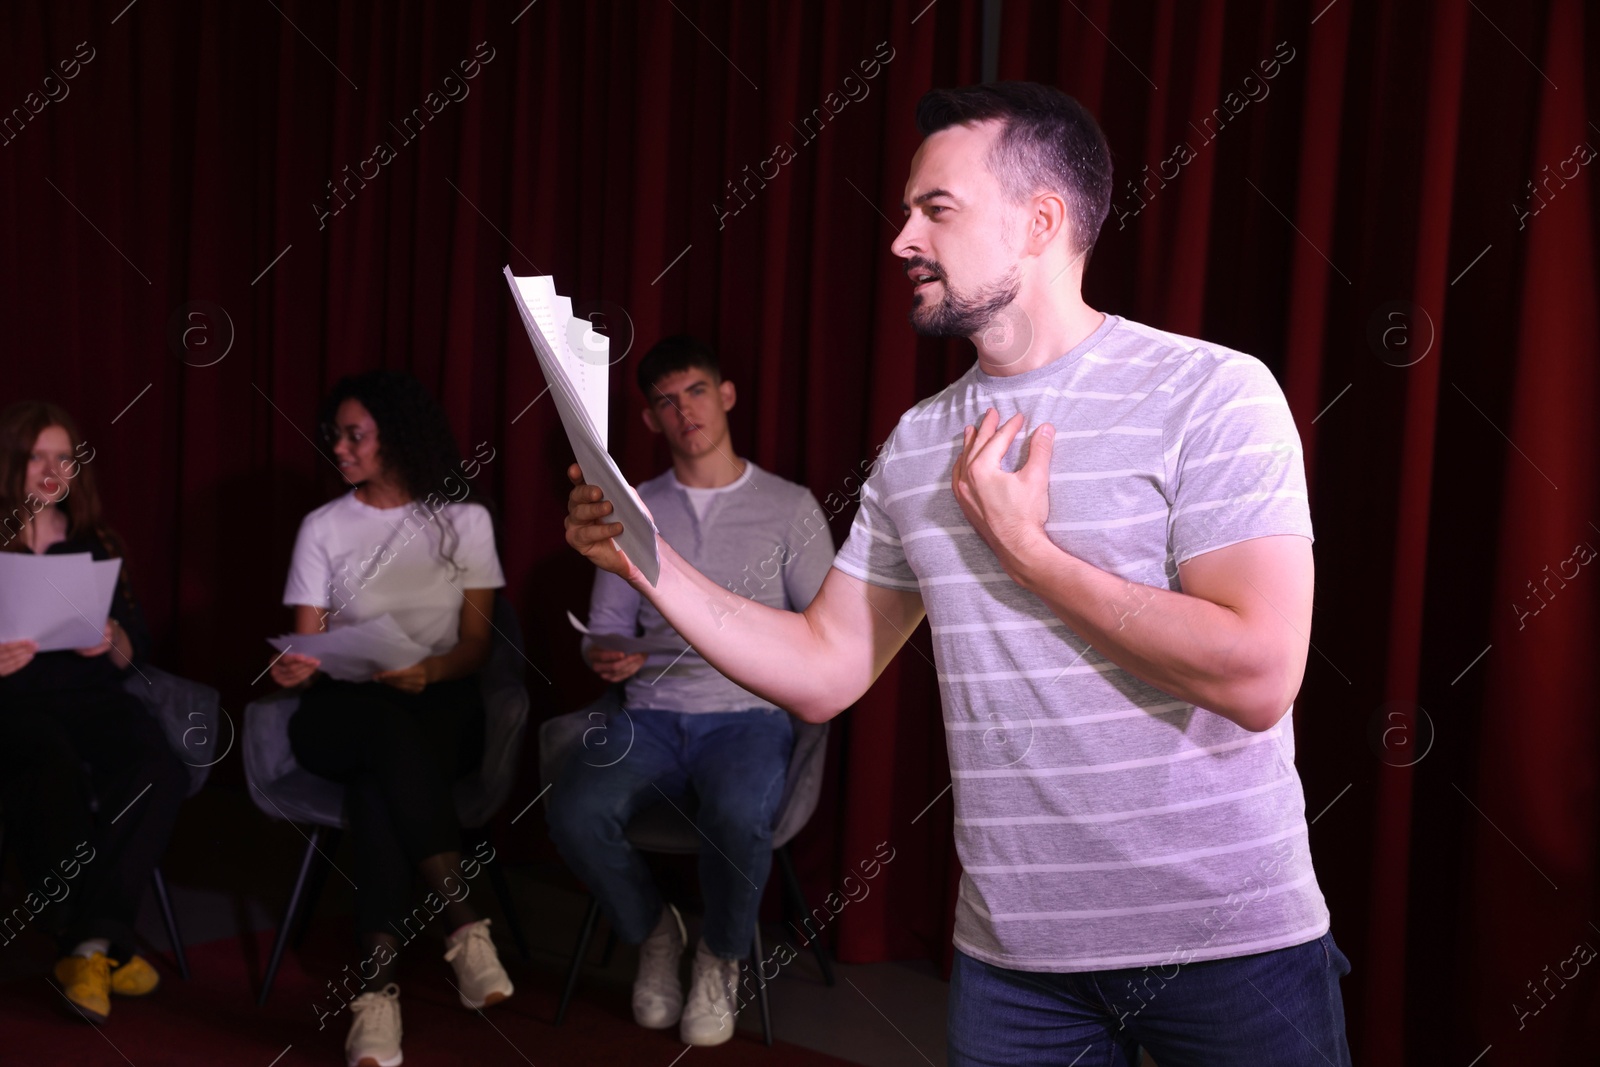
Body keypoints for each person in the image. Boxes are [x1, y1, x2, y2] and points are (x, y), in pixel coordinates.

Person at [564, 83, 1351, 1065]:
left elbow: (1257, 674)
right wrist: (648, 562)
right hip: (1013, 966)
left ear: (1040, 221)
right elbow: (826, 666)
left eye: (934, 208)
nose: (899, 238)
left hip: (1231, 947)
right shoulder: (917, 441)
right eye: (906, 210)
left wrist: (1027, 551)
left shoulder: (1211, 391)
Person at [546, 336, 834, 1047]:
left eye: (696, 391)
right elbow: (604, 629)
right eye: (666, 401)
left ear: (726, 394)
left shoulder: (790, 507)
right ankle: (654, 931)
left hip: (746, 716)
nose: (684, 411)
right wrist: (604, 656)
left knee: (740, 813)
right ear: (649, 421)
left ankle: (721, 954)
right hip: (649, 712)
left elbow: (824, 633)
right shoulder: (631, 507)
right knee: (575, 806)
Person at [268, 370, 512, 1067]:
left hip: (438, 702)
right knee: (380, 736)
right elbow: (307, 640)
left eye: (355, 435)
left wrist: (427, 671)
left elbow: (474, 646)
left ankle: (376, 995)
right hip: (340, 711)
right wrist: (295, 665)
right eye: (334, 436)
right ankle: (464, 922)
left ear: (397, 436)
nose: (339, 448)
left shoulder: (465, 519)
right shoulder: (323, 526)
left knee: (382, 787)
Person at [0, 401, 188, 1025]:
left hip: (92, 697)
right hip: (15, 704)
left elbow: (138, 646)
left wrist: (113, 641)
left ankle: (90, 943)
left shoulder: (96, 541)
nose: (53, 470)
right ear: (14, 465)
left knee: (158, 763)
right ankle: (91, 942)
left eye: (65, 457)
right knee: (47, 764)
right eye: (38, 457)